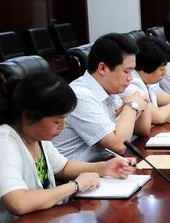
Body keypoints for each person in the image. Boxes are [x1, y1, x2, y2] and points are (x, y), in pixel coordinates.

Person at [0, 73, 136, 223]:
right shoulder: (3, 144)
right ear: (28, 116)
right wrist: (75, 186)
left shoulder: (34, 135)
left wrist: (105, 168)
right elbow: (18, 202)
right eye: (57, 121)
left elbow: (62, 167)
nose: (63, 126)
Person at [53, 33, 148, 161]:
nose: (130, 78)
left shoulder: (109, 89)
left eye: (132, 71)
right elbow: (119, 145)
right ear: (102, 68)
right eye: (126, 71)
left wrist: (138, 101)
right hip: (79, 171)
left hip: (103, 165)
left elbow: (143, 129)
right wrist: (132, 105)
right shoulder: (80, 96)